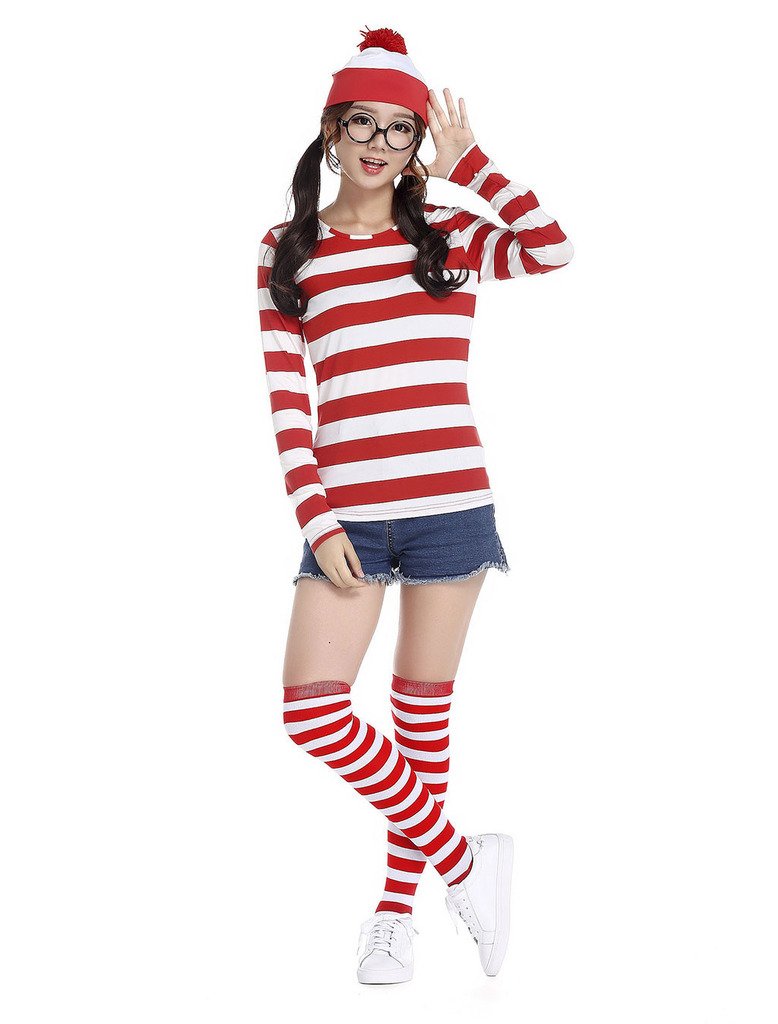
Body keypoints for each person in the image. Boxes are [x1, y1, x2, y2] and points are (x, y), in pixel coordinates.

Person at [256, 25, 574, 984]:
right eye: (363, 123)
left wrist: (471, 164)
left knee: (418, 720)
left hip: (449, 503)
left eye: (402, 130)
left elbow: (552, 249)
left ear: (416, 144)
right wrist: (316, 518)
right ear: (332, 129)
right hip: (347, 515)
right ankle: (464, 862)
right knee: (313, 711)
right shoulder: (287, 252)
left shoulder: (449, 236)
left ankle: (397, 913)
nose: (381, 145)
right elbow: (288, 403)